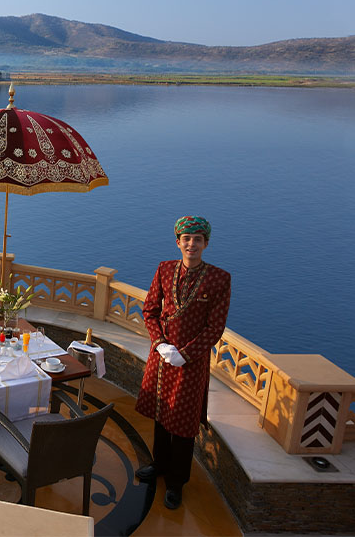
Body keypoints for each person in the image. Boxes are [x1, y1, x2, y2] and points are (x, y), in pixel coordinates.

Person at [134, 216, 231, 510]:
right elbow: (150, 310)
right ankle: (159, 465)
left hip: (191, 363)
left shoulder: (219, 279)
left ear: (206, 244)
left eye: (198, 239)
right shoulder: (164, 270)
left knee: (184, 426)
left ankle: (176, 483)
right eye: (186, 239)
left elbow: (215, 328)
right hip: (161, 357)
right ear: (178, 242)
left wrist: (184, 353)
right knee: (162, 415)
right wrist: (160, 343)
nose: (192, 244)